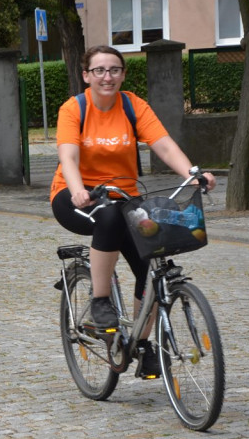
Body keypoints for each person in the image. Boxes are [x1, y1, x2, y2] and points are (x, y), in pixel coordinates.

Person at [50, 45, 215, 377]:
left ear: (123, 74)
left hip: (124, 196)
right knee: (108, 217)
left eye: (114, 70)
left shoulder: (132, 105)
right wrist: (79, 188)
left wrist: (192, 173)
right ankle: (100, 301)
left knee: (151, 264)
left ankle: (140, 343)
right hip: (75, 196)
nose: (107, 76)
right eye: (99, 70)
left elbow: (163, 144)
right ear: (86, 76)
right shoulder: (74, 109)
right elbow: (68, 156)